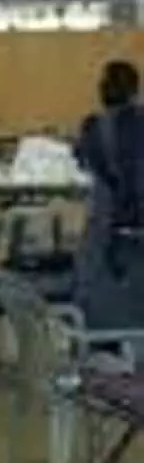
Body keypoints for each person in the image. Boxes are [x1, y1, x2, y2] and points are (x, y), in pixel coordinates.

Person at [73, 60, 144, 335]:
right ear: (135, 90)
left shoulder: (94, 128)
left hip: (107, 238)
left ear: (102, 90)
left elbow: (80, 161)